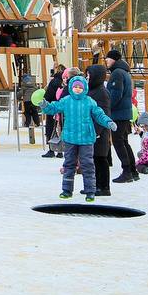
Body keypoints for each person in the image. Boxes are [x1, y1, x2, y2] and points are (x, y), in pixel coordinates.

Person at [44, 72, 117, 202]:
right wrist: (45, 105)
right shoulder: (66, 101)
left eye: (80, 87)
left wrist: (108, 122)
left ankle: (90, 191)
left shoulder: (89, 102)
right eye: (75, 87)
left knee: (87, 165)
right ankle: (67, 190)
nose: (77, 89)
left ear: (84, 88)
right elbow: (54, 108)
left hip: (86, 139)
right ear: (71, 87)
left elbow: (99, 114)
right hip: (70, 138)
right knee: (69, 164)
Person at [104, 50, 138, 183]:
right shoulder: (124, 72)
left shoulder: (117, 73)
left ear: (114, 59)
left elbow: (116, 93)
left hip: (118, 113)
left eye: (108, 58)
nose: (106, 61)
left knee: (118, 142)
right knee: (123, 141)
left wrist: (108, 107)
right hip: (125, 112)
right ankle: (132, 170)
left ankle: (127, 171)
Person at [87, 63, 115, 197]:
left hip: (99, 133)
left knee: (100, 159)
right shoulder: (92, 90)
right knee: (93, 160)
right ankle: (95, 185)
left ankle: (104, 187)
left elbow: (104, 113)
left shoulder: (102, 93)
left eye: (89, 75)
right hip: (91, 131)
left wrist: (96, 132)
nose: (87, 78)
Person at [41, 63, 67, 158]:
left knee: (51, 129)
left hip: (53, 107)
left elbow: (48, 95)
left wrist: (45, 102)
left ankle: (51, 149)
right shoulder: (65, 82)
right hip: (62, 109)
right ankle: (60, 151)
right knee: (60, 128)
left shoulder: (54, 81)